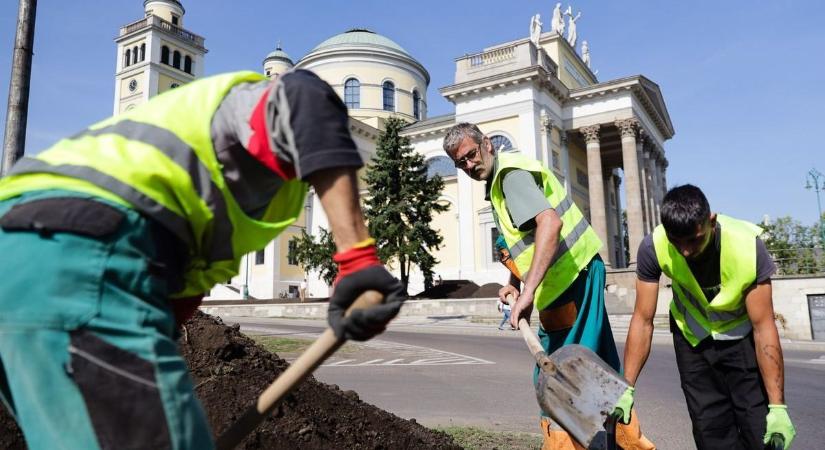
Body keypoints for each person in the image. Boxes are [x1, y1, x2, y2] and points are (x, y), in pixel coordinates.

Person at [0, 69, 405, 450]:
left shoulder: (162, 161)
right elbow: (306, 97)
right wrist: (356, 258)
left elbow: (171, 310)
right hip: (80, 254)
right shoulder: (231, 120)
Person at [442, 122, 653, 450]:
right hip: (567, 282)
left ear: (487, 144)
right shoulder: (500, 183)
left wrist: (527, 293)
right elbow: (522, 241)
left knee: (558, 379)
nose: (469, 165)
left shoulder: (510, 177)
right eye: (461, 163)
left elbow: (549, 224)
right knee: (597, 372)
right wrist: (513, 283)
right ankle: (626, 444)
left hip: (571, 281)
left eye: (471, 155)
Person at [616, 184, 796, 449]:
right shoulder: (653, 246)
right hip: (693, 342)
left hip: (741, 339)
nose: (686, 250)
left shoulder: (746, 245)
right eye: (677, 242)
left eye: (694, 240)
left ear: (710, 221)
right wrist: (626, 386)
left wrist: (778, 406)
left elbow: (763, 327)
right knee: (710, 432)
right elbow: (643, 320)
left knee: (759, 429)